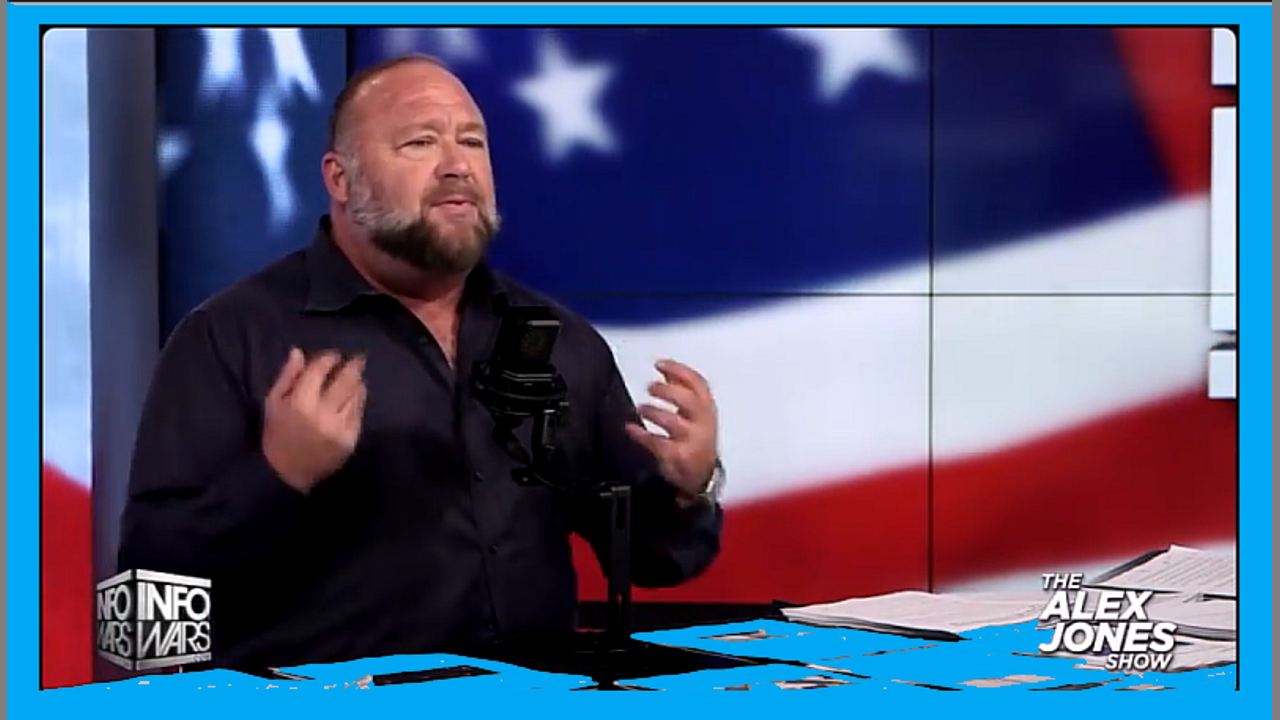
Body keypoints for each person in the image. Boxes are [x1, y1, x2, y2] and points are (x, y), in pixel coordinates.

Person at [117, 54, 726, 671]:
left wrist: (689, 487)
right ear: (340, 179)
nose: (458, 165)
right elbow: (145, 607)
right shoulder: (232, 339)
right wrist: (280, 476)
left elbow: (658, 560)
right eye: (420, 142)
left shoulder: (561, 342)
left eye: (472, 142)